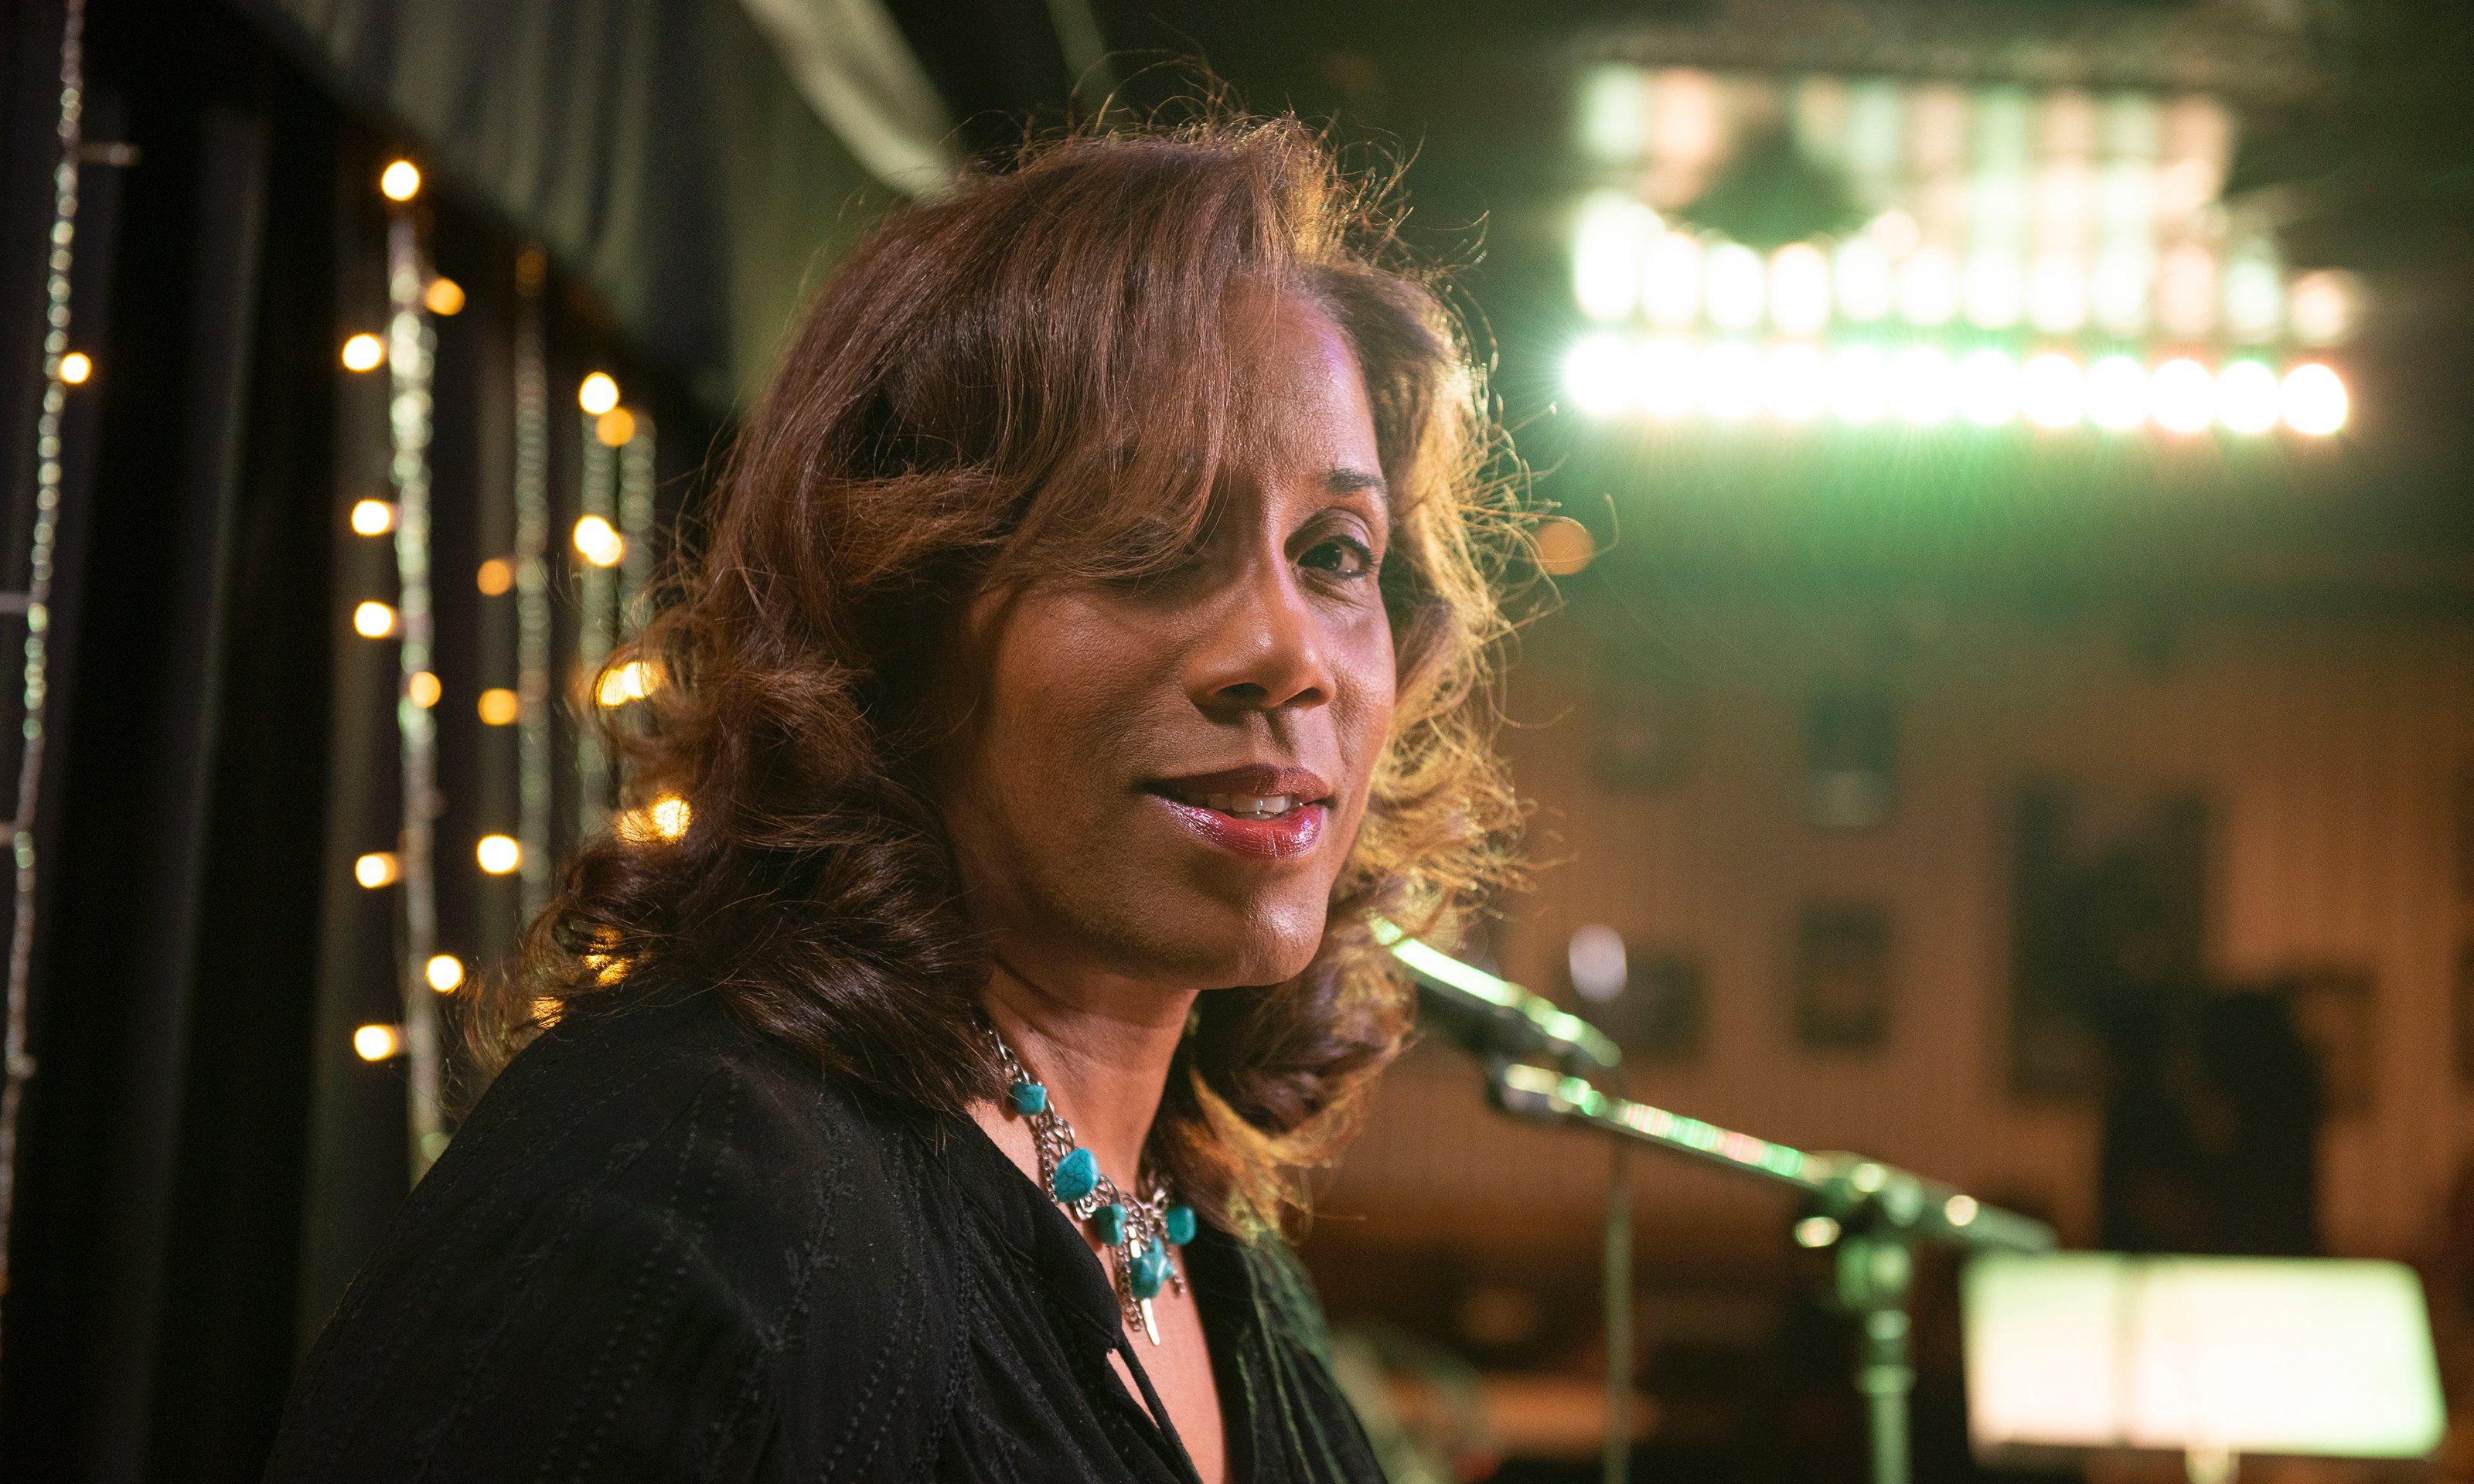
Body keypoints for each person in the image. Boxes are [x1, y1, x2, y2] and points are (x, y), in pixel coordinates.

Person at [262, 112, 1524, 1484]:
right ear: (893, 612)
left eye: (1336, 553)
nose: (1289, 655)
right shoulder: (686, 1191)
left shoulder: (1206, 1238)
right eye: (1149, 536)